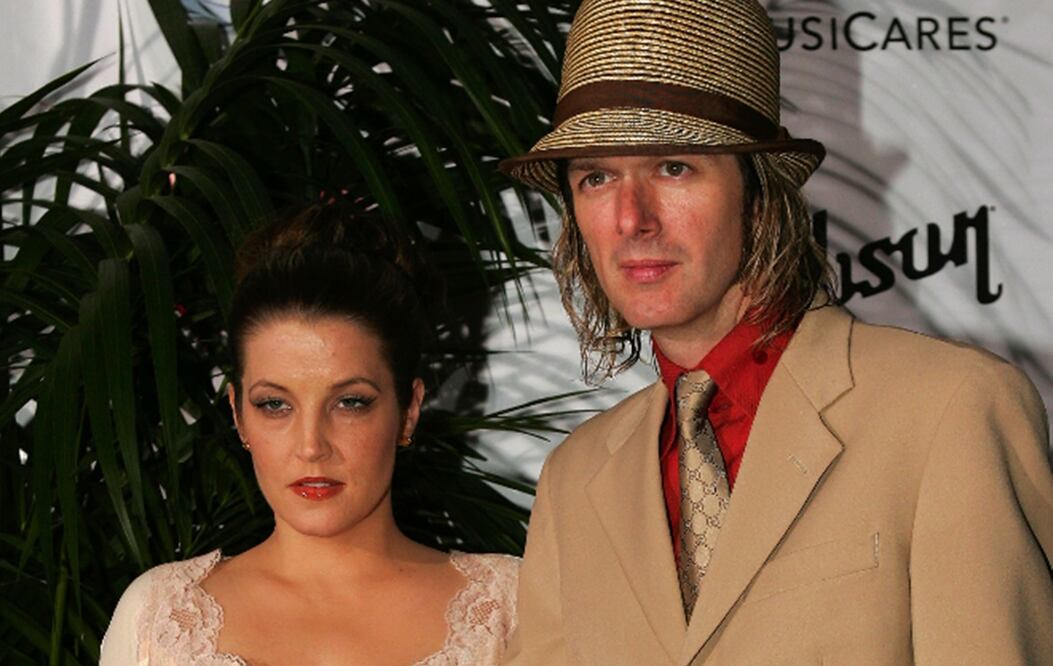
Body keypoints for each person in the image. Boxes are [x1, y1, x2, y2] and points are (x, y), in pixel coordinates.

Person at [498, 0, 1053, 664]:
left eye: (673, 167)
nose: (630, 218)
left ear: (759, 197)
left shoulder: (949, 408)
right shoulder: (574, 476)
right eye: (596, 178)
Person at [100, 205, 518, 665]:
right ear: (238, 414)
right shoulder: (158, 617)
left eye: (350, 402)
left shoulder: (511, 609)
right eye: (275, 405)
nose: (311, 447)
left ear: (408, 410)